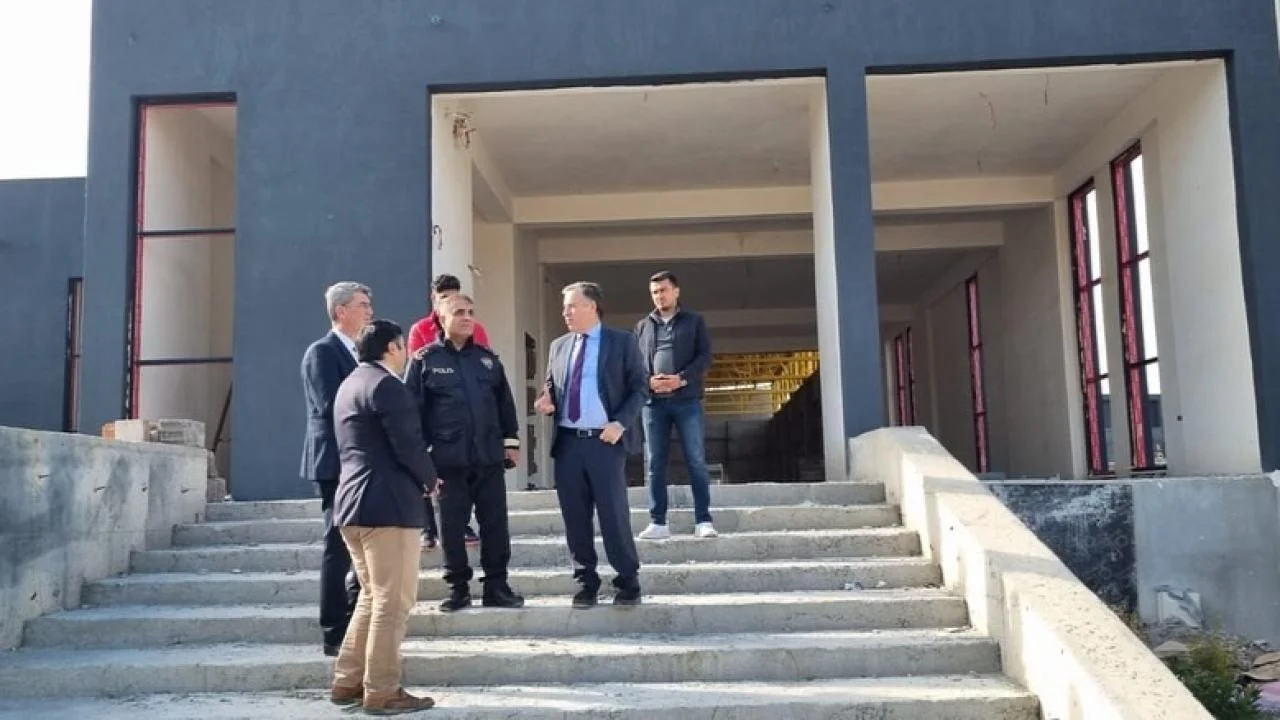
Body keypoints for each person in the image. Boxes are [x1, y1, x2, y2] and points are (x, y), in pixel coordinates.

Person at [329, 319, 437, 714]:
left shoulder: (349, 385)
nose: (405, 353)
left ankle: (347, 681)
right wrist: (431, 480)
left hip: (352, 505)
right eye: (402, 346)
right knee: (393, 602)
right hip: (387, 507)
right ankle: (382, 690)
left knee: (372, 596)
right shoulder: (388, 386)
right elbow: (408, 445)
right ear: (392, 348)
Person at [405, 293, 525, 612]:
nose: (467, 317)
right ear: (441, 319)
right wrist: (421, 460)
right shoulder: (424, 361)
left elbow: (505, 406)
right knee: (451, 529)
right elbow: (411, 415)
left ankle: (497, 586)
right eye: (459, 312)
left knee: (495, 525)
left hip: (488, 459)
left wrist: (511, 444)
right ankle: (458, 589)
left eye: (471, 312)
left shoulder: (488, 360)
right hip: (447, 462)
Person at [534, 281, 646, 608]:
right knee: (575, 516)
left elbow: (639, 388)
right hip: (568, 443)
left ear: (592, 307)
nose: (565, 313)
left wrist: (620, 423)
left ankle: (627, 579)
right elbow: (552, 385)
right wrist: (546, 400)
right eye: (564, 307)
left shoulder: (621, 342)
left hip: (604, 442)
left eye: (572, 306)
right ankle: (586, 581)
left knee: (613, 514)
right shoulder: (558, 347)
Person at [300, 281, 371, 657]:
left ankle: (357, 617)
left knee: (361, 542)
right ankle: (333, 629)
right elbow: (331, 406)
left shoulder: (361, 354)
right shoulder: (323, 352)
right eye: (362, 304)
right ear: (340, 311)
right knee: (338, 544)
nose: (369, 311)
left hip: (361, 462)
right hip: (335, 461)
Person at [633, 271, 718, 540]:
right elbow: (634, 363)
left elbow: (705, 357)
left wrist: (680, 379)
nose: (659, 296)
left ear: (676, 292)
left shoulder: (694, 322)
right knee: (655, 463)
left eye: (664, 290)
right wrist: (649, 381)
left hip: (687, 400)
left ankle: (703, 520)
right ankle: (658, 522)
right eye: (655, 292)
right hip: (653, 404)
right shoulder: (642, 327)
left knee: (696, 460)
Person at [407, 273, 487, 548]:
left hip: (465, 418)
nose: (450, 303)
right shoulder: (420, 329)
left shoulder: (474, 328)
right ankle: (427, 528)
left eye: (453, 297)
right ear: (434, 299)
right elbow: (416, 368)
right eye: (443, 298)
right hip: (433, 414)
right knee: (428, 473)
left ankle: (462, 524)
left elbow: (484, 364)